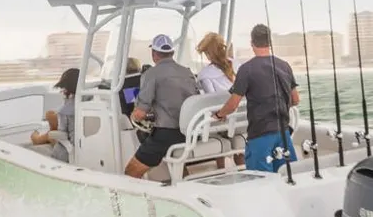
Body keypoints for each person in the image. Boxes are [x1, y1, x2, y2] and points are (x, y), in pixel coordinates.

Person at [213, 24, 300, 172]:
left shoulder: (246, 69)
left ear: (252, 43)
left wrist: (219, 114)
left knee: (260, 181)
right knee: (287, 176)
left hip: (260, 135)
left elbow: (233, 104)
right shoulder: (284, 66)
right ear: (270, 42)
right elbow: (296, 99)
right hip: (284, 134)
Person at [124, 34, 198, 178]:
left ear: (154, 54)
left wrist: (134, 114)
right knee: (178, 163)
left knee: (130, 173)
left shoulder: (151, 74)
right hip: (189, 134)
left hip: (166, 135)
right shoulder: (187, 72)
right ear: (172, 53)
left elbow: (139, 114)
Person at [195, 32, 244, 168]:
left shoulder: (205, 75)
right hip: (243, 119)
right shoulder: (237, 65)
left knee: (211, 119)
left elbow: (212, 101)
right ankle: (241, 167)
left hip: (225, 120)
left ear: (209, 54)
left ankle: (221, 169)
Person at [30, 67, 78, 162]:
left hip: (67, 151)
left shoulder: (65, 111)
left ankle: (36, 138)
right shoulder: (87, 103)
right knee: (51, 116)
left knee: (50, 131)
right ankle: (37, 137)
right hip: (83, 144)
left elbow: (61, 133)